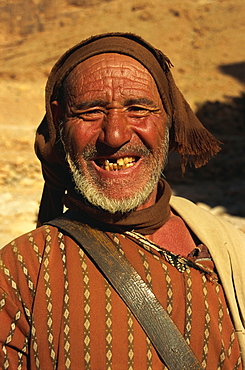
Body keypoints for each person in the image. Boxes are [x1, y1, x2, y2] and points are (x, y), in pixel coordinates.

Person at [0, 32, 244, 370]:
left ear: (169, 118)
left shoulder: (231, 252)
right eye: (90, 112)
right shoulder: (21, 270)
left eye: (138, 109)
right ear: (59, 121)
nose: (115, 135)